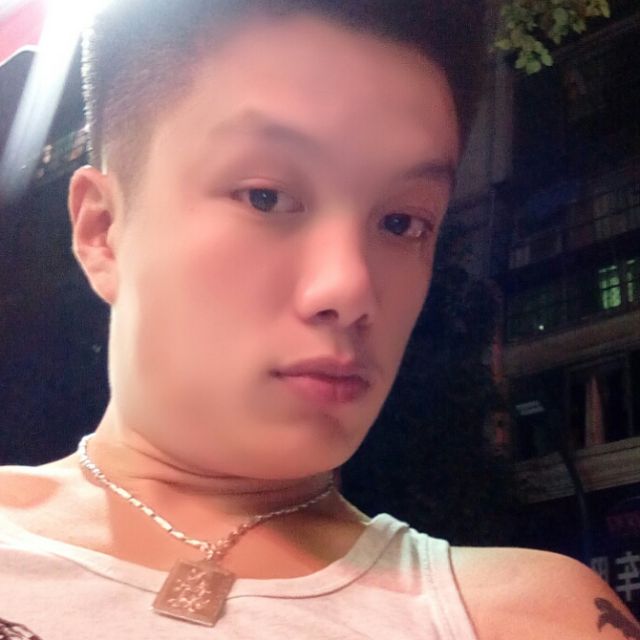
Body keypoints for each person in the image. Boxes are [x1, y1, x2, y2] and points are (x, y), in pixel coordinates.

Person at [0, 1, 638, 638]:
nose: (350, 288)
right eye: (266, 197)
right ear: (102, 229)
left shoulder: (525, 619)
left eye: (402, 222)